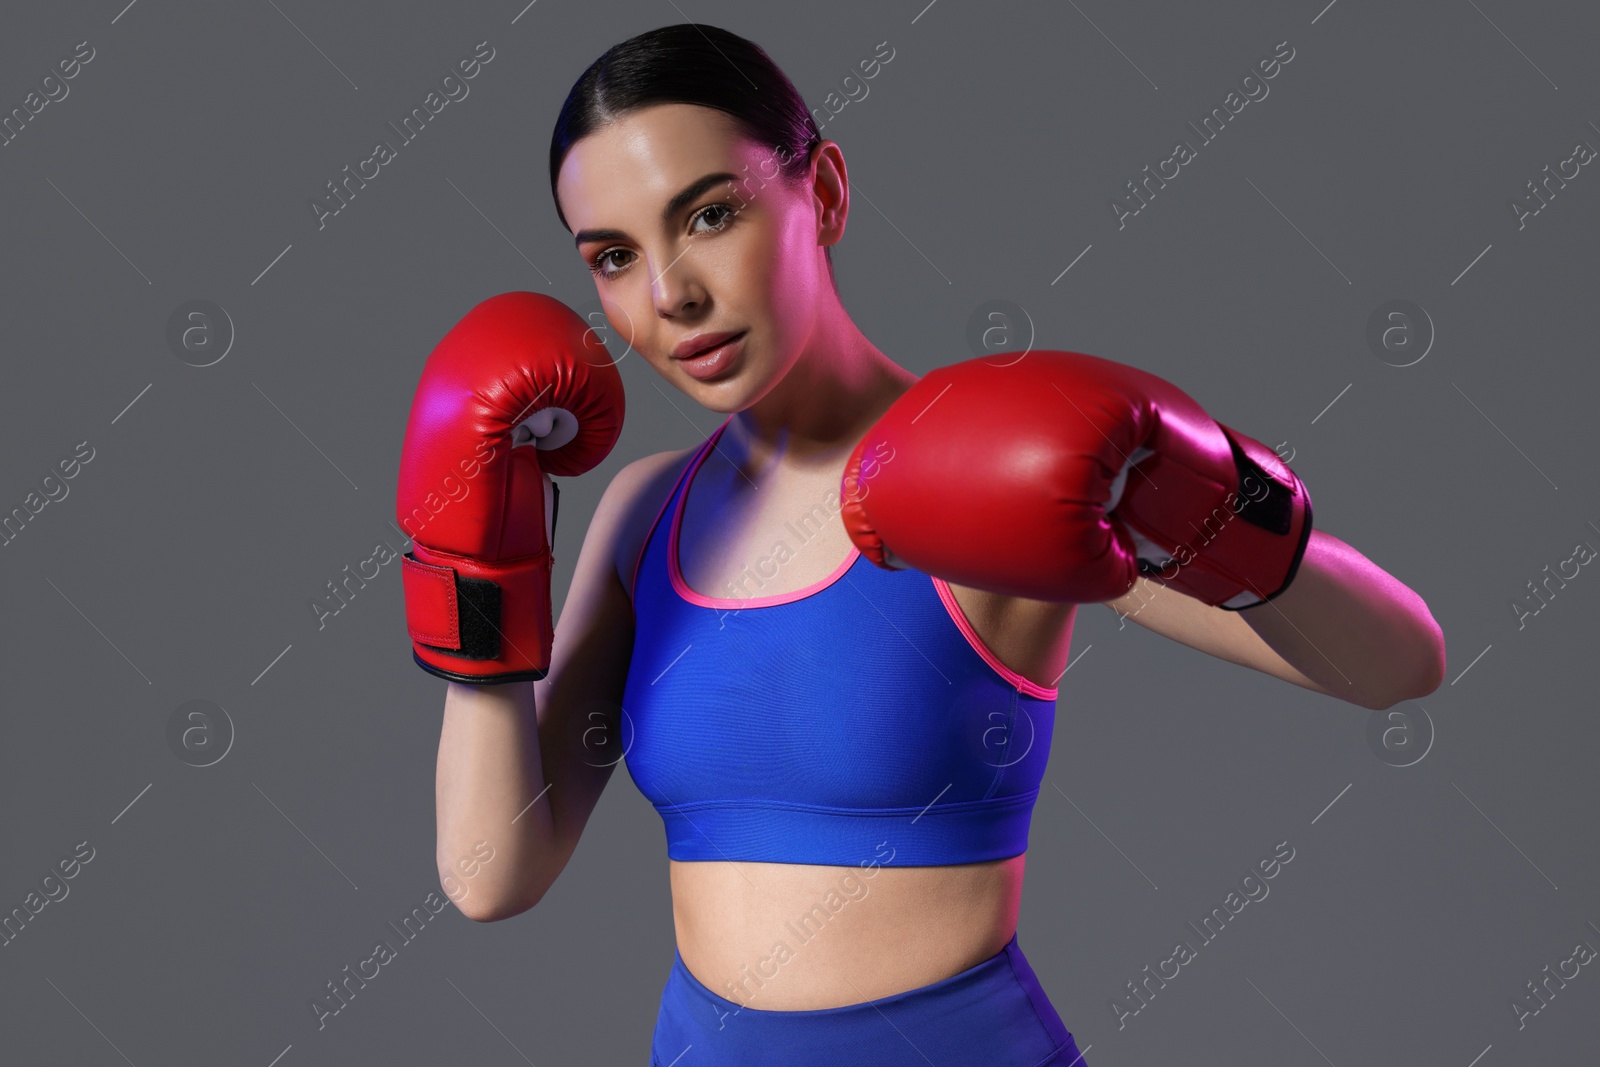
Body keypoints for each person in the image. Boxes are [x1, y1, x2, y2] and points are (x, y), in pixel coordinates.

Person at [399, 23, 1446, 1066]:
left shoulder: (974, 470)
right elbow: (494, 873)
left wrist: (1202, 489)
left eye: (710, 214)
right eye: (616, 258)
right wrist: (476, 553)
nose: (670, 294)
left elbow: (1399, 663)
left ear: (826, 193)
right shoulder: (645, 510)